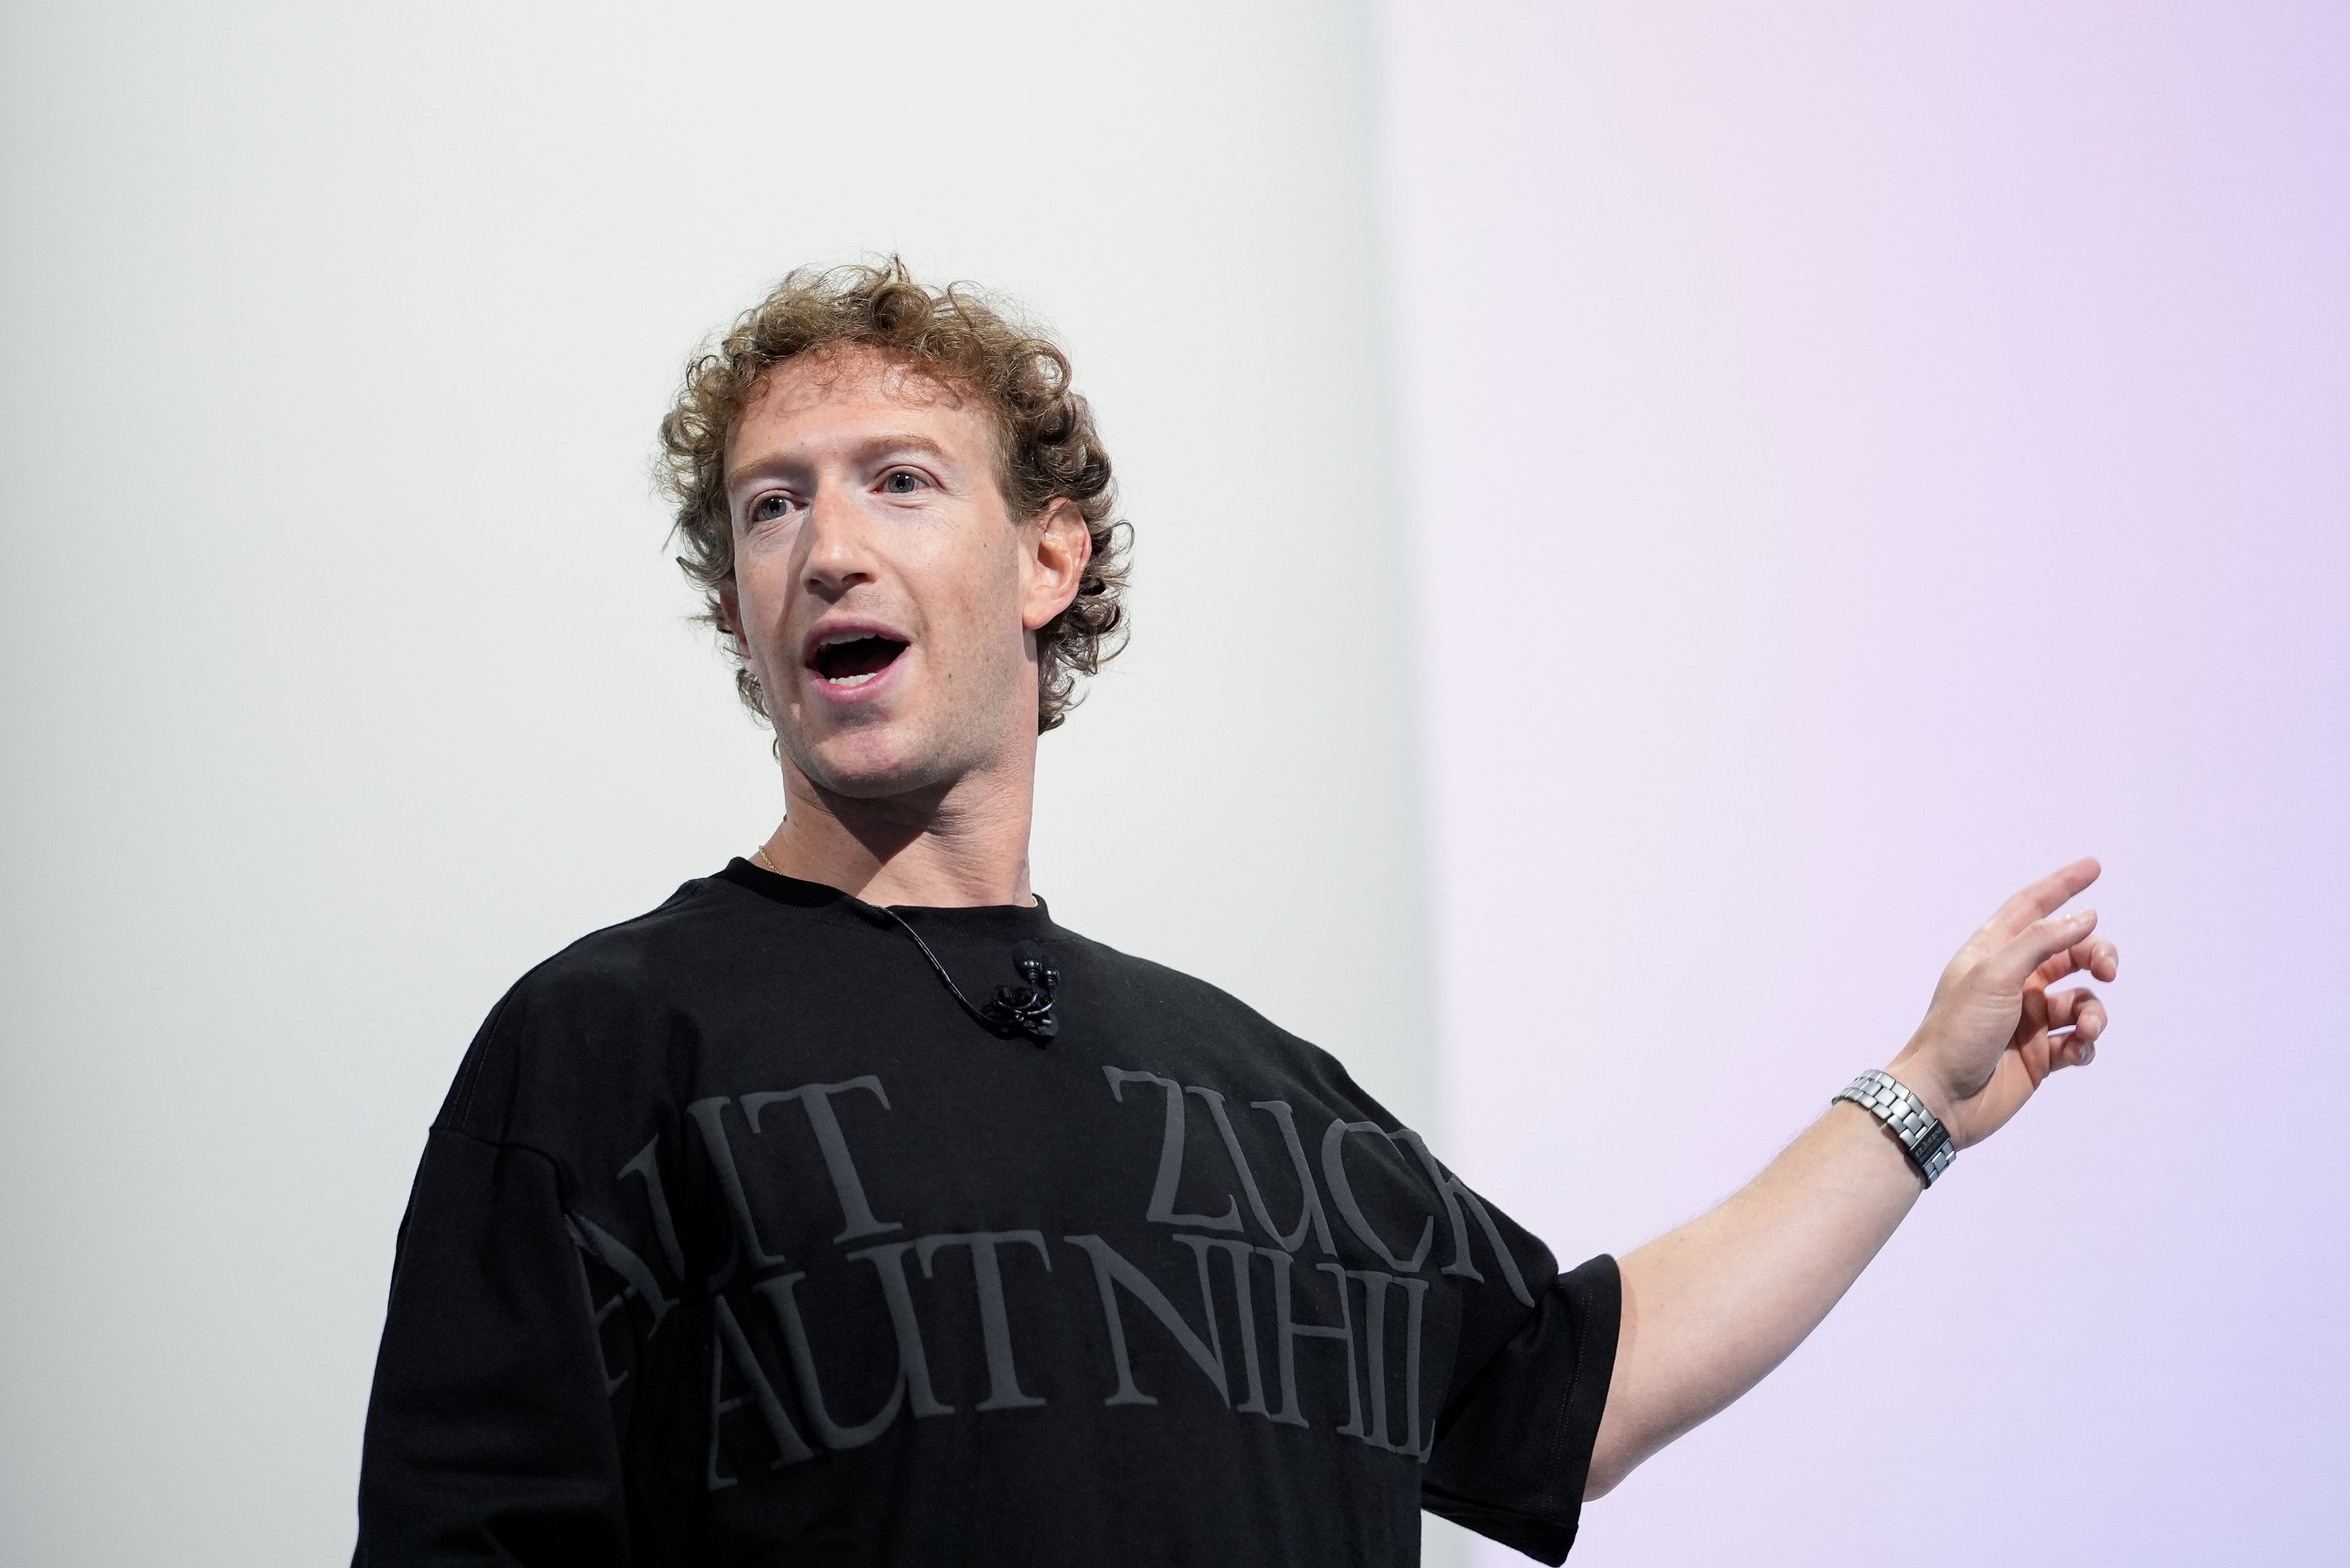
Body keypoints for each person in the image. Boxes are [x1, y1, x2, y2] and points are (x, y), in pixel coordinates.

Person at [351, 260, 2121, 1566]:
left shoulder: (1254, 1090)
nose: (826, 546)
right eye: (770, 506)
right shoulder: (611, 1047)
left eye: (900, 479)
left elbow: (1576, 1395)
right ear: (740, 608)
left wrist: (1924, 1103)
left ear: (1049, 559)